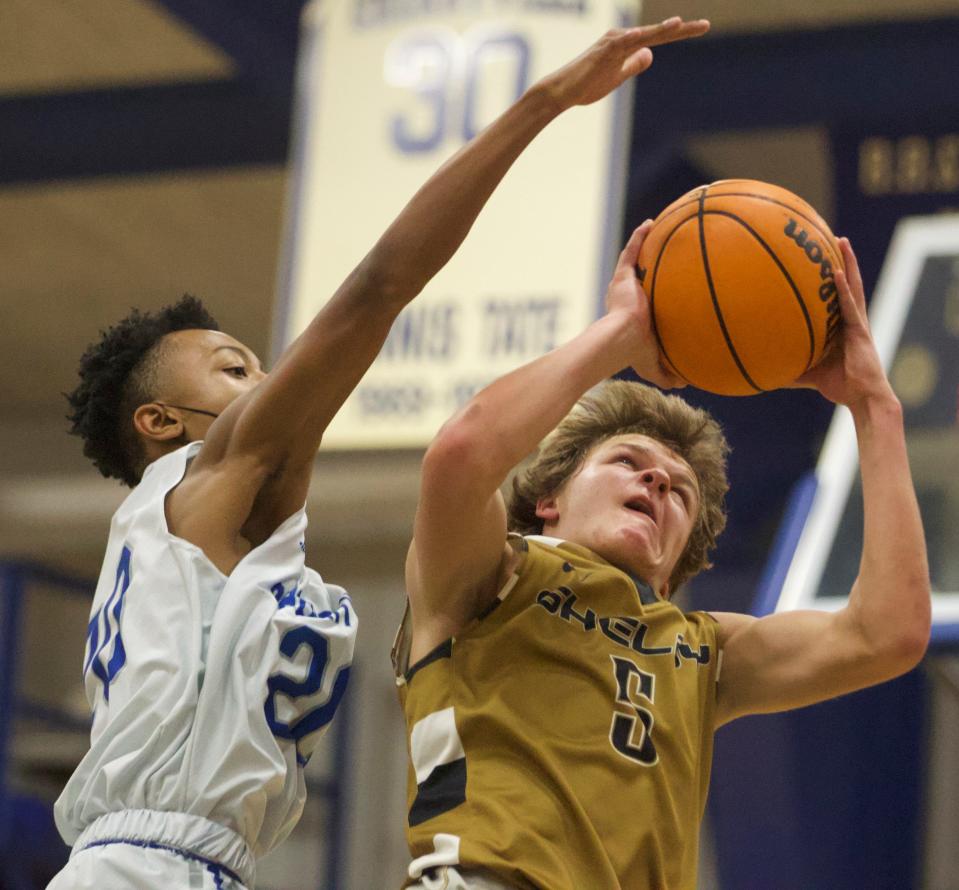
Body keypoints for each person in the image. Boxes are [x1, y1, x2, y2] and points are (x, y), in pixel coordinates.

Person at [48, 20, 709, 890]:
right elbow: (378, 288)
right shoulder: (206, 479)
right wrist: (543, 104)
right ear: (163, 423)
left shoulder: (220, 537)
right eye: (234, 367)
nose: (272, 378)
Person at [394, 214, 932, 889]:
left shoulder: (705, 651)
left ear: (678, 564)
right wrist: (620, 333)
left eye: (679, 491)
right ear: (550, 499)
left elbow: (889, 633)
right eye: (628, 461)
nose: (656, 480)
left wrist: (873, 407)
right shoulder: (489, 569)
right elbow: (461, 453)